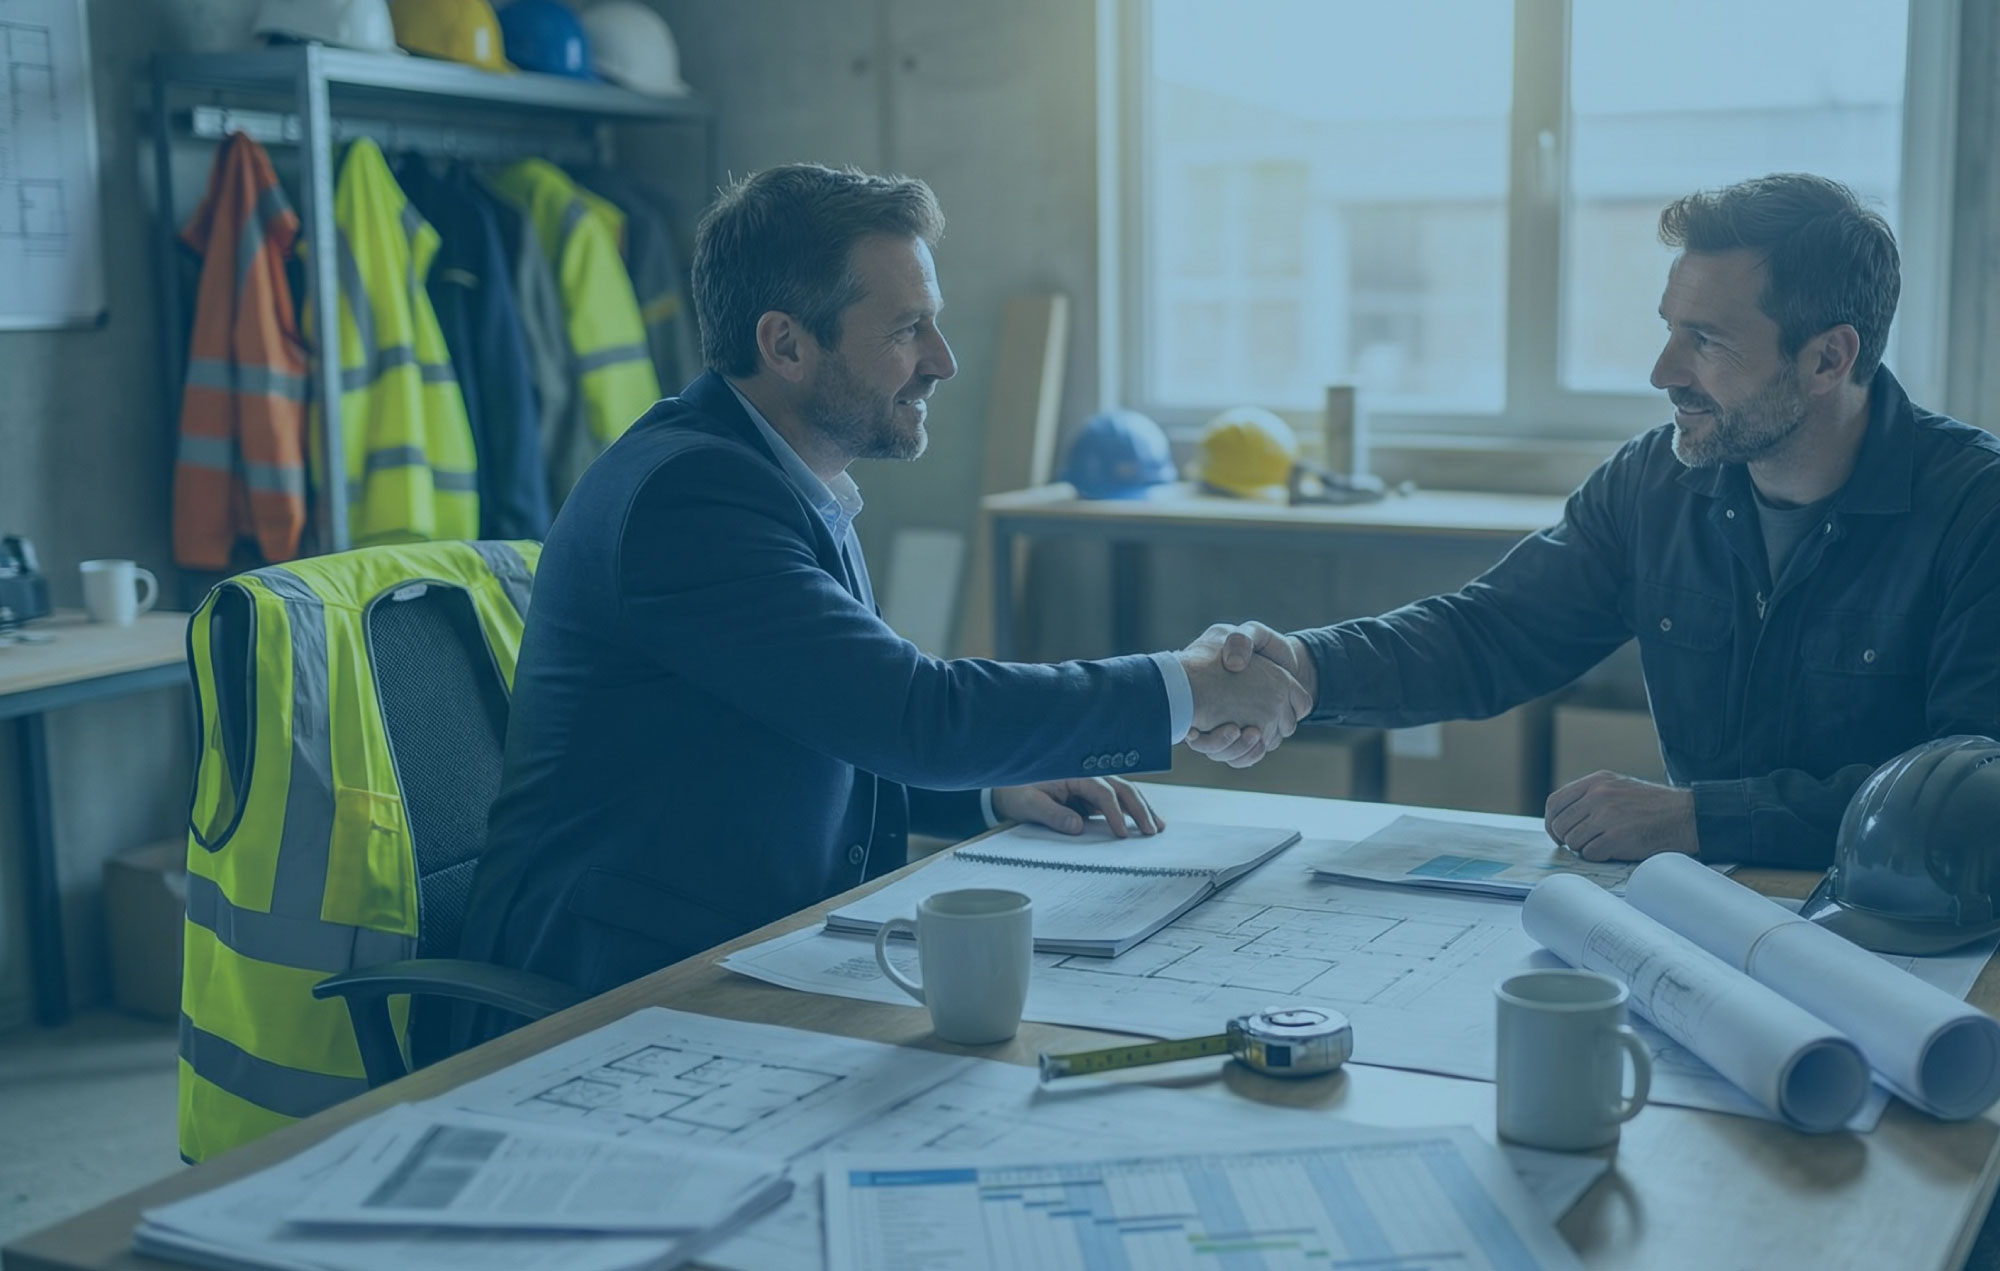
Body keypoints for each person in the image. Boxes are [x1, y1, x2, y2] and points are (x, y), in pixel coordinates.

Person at [457, 164, 1310, 1013]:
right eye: (909, 330)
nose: (943, 361)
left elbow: (835, 716)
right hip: (610, 985)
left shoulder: (771, 473)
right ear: (786, 344)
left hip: (736, 948)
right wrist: (1186, 685)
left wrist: (988, 788)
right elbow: (910, 713)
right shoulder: (691, 501)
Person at [1189, 173, 2000, 870]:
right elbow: (1492, 633)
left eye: (1706, 341)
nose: (1663, 371)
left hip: (1909, 928)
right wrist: (1302, 669)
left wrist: (1697, 819)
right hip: (1711, 904)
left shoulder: (1976, 511)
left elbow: (1976, 801)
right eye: (1669, 328)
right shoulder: (1656, 481)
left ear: (1829, 358)